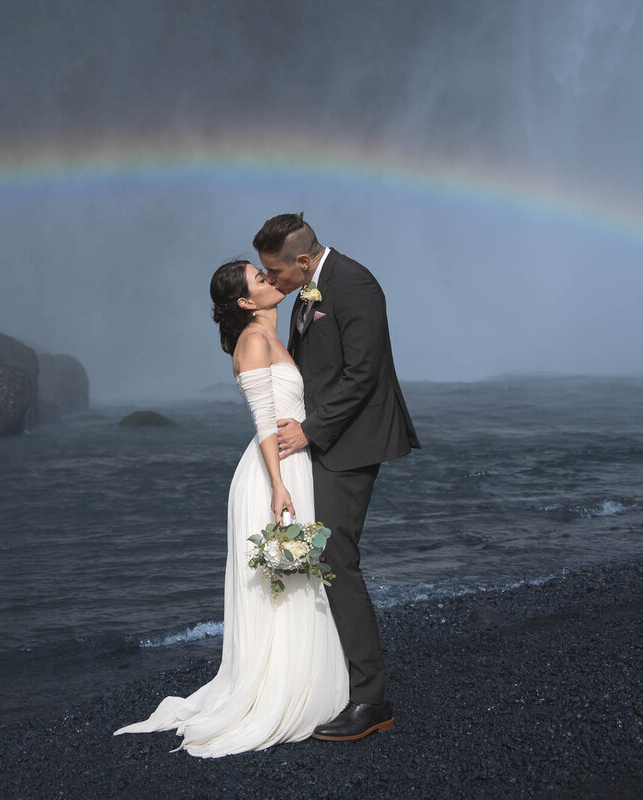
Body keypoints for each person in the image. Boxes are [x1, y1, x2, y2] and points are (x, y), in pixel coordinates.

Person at [113, 259, 348, 757]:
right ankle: (280, 690)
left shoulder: (271, 333)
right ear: (245, 301)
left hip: (290, 464)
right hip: (275, 472)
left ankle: (303, 679)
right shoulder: (254, 342)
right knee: (285, 582)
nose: (270, 279)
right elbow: (265, 421)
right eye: (260, 279)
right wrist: (278, 486)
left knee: (296, 579)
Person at [254, 212, 419, 742]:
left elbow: (363, 373)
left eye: (275, 272)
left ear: (303, 260)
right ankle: (340, 681)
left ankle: (372, 700)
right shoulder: (311, 287)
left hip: (350, 443)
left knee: (336, 559)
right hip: (325, 440)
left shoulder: (354, 283)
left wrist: (309, 430)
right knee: (326, 556)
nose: (273, 281)